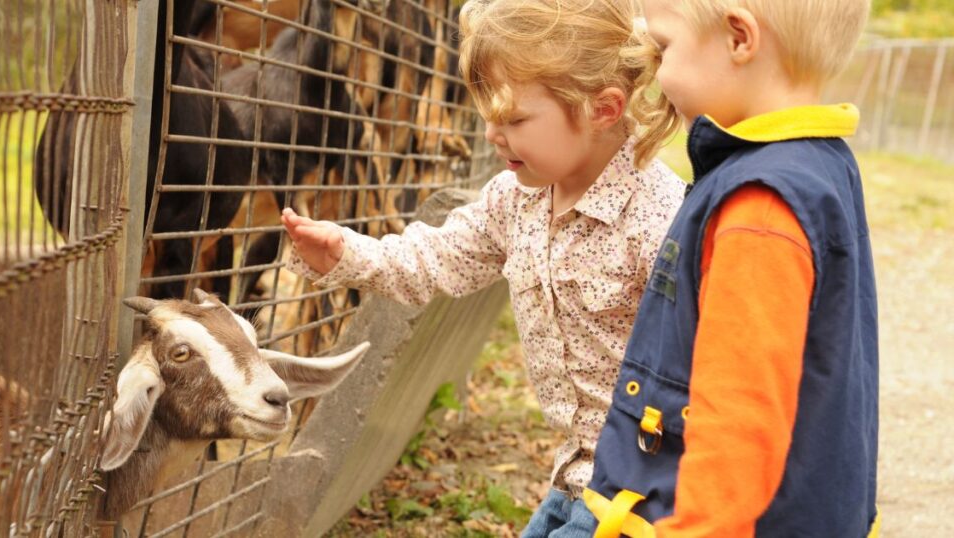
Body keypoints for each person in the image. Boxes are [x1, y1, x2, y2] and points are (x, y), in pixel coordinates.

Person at [281, 0, 684, 534]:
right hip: (576, 472)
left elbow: (704, 360)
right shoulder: (516, 201)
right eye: (489, 116)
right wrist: (348, 255)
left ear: (603, 109)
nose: (494, 135)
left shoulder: (659, 221)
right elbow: (436, 259)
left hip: (640, 485)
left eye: (514, 119)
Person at [584, 1, 879, 537]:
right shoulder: (820, 161)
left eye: (664, 47)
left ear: (739, 39)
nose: (653, 66)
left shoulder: (759, 207)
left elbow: (738, 420)